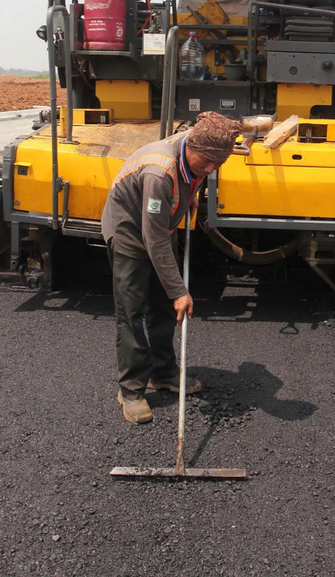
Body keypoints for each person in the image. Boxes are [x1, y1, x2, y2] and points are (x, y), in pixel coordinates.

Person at [102, 111, 242, 424]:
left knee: (165, 306)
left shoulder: (192, 145)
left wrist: (190, 192)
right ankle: (132, 390)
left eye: (217, 165)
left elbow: (192, 174)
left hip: (159, 227)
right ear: (192, 148)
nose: (209, 170)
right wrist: (180, 290)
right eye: (206, 163)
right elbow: (152, 238)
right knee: (132, 313)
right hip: (129, 232)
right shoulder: (158, 172)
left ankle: (163, 372)